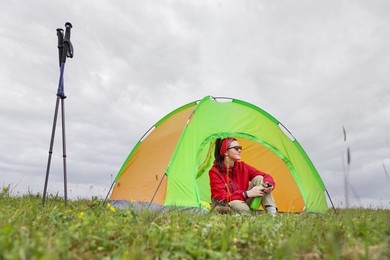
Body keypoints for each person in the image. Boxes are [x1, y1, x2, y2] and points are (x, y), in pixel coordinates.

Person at [209, 137, 278, 215]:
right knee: (236, 204)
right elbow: (221, 198)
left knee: (260, 179)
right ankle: (248, 216)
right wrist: (246, 194)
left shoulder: (242, 167)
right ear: (226, 152)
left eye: (240, 148)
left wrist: (269, 185)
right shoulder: (215, 172)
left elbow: (265, 175)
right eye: (236, 148)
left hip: (244, 203)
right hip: (228, 205)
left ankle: (272, 214)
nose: (240, 150)